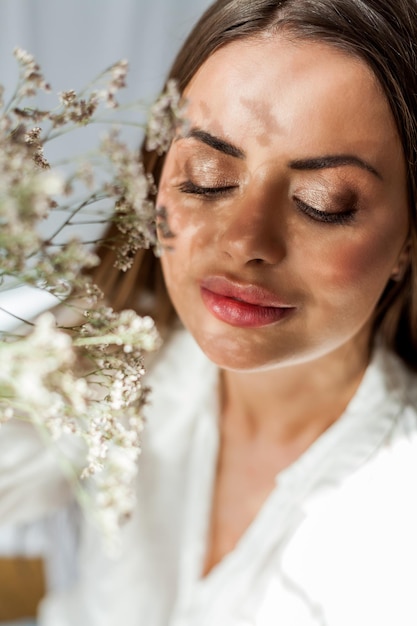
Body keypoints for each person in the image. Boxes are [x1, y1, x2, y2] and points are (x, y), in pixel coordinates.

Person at [1, 0, 417, 624]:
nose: (246, 240)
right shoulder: (102, 364)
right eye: (207, 177)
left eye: (323, 203)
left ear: (407, 240)